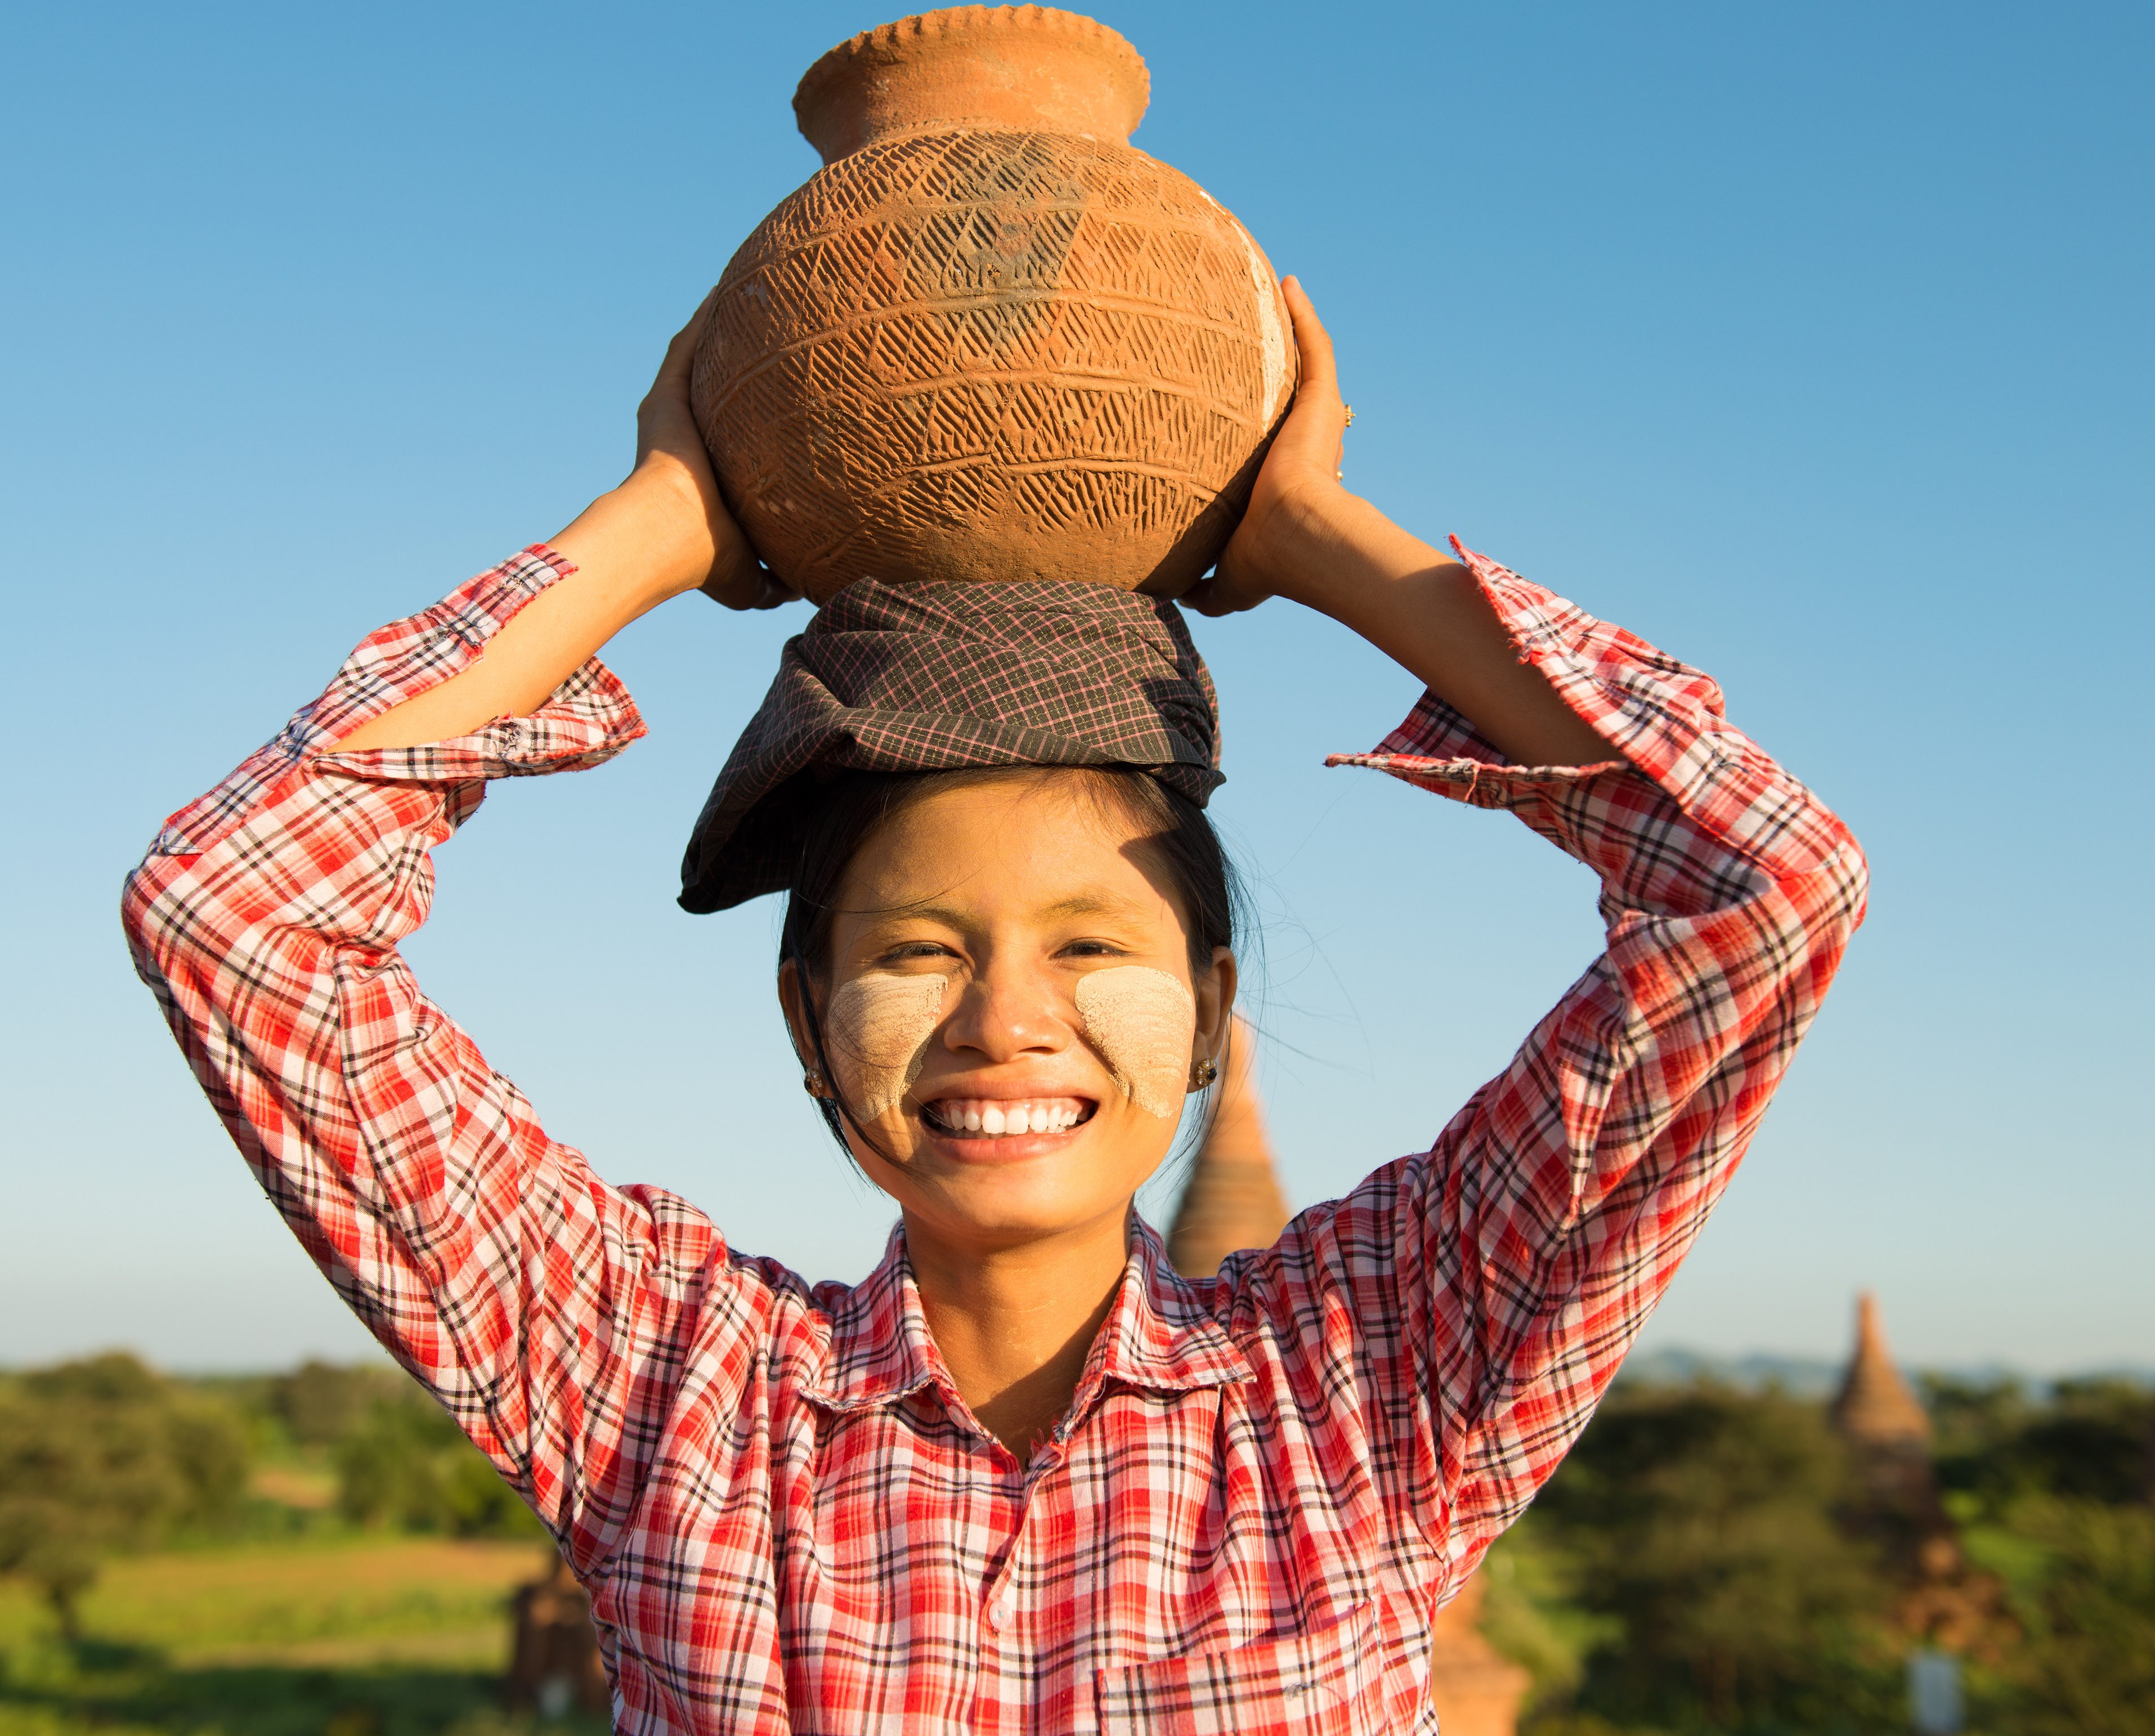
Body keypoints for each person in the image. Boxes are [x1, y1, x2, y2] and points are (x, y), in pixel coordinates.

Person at [123, 279, 1867, 1732]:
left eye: (1094, 947)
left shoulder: (1370, 1381)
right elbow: (233, 919)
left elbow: (1761, 893)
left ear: (1207, 1006)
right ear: (808, 1025)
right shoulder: (665, 1392)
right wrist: (654, 528)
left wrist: (1319, 537)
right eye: (916, 952)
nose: (1004, 1021)